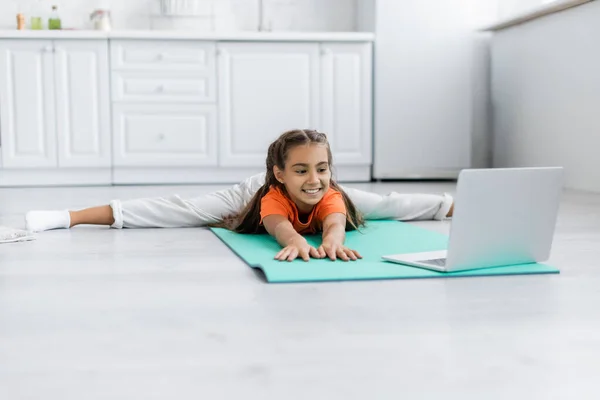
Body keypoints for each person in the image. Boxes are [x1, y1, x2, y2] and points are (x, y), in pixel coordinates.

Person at [25, 129, 454, 260]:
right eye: (302, 170)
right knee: (184, 211)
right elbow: (281, 228)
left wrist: (331, 242)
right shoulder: (266, 194)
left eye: (321, 168)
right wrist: (298, 244)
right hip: (251, 195)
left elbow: (336, 223)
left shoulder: (329, 190)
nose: (313, 178)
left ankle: (455, 202)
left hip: (320, 198)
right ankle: (69, 216)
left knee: (384, 205)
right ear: (279, 173)